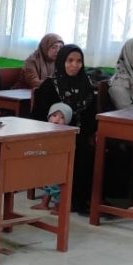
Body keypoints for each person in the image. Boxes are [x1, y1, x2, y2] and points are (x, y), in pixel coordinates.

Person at [31, 44, 97, 214]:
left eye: (79, 61)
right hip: (53, 136)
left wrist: (87, 133)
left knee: (90, 152)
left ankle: (82, 199)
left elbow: (92, 116)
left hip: (79, 134)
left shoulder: (86, 84)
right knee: (74, 153)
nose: (75, 65)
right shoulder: (50, 85)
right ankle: (64, 200)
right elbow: (38, 117)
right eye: (70, 60)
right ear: (61, 62)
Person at [32, 103, 73, 212]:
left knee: (56, 187)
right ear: (49, 117)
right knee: (47, 184)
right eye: (54, 115)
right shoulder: (46, 130)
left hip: (58, 165)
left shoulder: (65, 133)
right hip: (47, 163)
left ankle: (59, 207)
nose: (57, 119)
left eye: (62, 117)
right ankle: (44, 203)